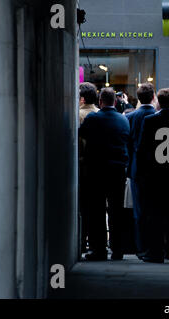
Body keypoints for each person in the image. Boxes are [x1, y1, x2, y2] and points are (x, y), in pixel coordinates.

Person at [136, 88, 169, 263]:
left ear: (158, 102)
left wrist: (142, 174)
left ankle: (156, 252)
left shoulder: (149, 120)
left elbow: (142, 149)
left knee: (155, 215)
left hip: (155, 176)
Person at [79, 87, 130, 261]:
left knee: (97, 211)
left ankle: (99, 249)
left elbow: (81, 135)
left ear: (100, 101)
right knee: (116, 210)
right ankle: (117, 249)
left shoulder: (93, 118)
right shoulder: (123, 120)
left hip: (97, 170)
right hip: (118, 170)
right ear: (115, 102)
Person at [126, 83, 157, 257]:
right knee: (154, 209)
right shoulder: (155, 115)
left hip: (137, 168)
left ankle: (141, 246)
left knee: (139, 210)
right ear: (153, 97)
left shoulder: (132, 117)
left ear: (138, 98)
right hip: (154, 168)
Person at [78, 82, 100, 253]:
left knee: (83, 207)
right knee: (95, 209)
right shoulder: (99, 114)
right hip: (97, 166)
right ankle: (95, 242)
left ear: (83, 98)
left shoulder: (79, 115)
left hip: (83, 167)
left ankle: (82, 241)